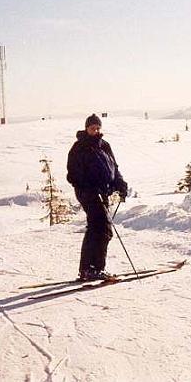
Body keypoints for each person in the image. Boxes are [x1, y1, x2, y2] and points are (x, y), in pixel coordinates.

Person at [67, 114, 129, 281]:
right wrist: (89, 187)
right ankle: (93, 268)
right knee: (102, 228)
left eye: (97, 128)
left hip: (103, 193)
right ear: (86, 128)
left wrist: (120, 184)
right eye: (92, 128)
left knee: (98, 229)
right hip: (88, 193)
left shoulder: (104, 145)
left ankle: (88, 269)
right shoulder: (79, 147)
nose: (95, 131)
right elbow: (73, 174)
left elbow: (113, 168)